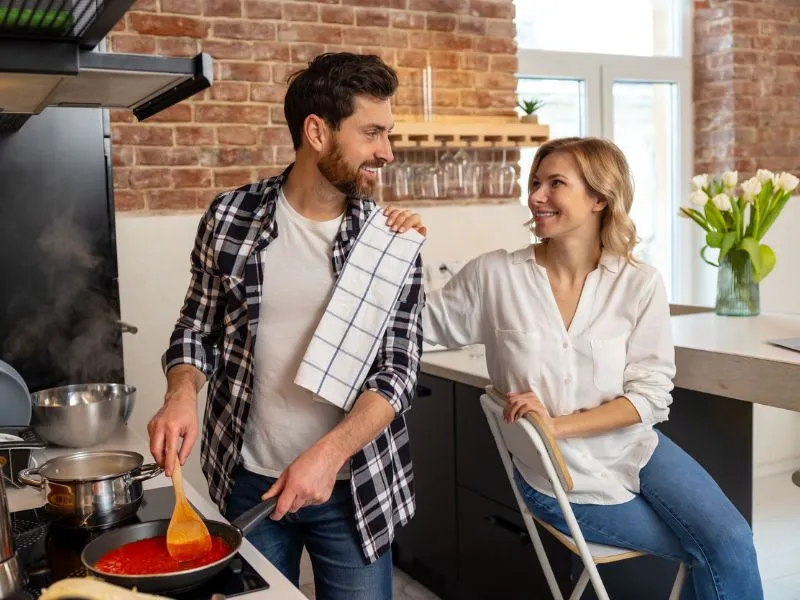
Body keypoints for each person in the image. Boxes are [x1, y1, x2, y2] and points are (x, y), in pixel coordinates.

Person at [411, 137, 764, 599]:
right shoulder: (495, 276)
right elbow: (416, 326)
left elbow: (651, 395)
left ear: (599, 198)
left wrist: (557, 425)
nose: (536, 195)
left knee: (731, 542)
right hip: (556, 478)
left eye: (555, 183)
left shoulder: (638, 283)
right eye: (535, 183)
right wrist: (397, 253)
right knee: (711, 549)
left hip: (634, 450)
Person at [147, 52, 427, 600]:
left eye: (387, 133)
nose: (386, 152)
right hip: (248, 478)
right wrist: (180, 394)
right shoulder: (229, 217)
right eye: (372, 133)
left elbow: (397, 373)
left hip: (351, 486)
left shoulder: (392, 240)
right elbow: (196, 327)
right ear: (317, 132)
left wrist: (327, 457)